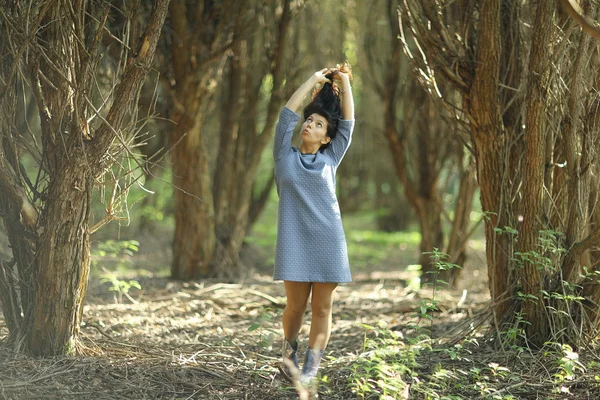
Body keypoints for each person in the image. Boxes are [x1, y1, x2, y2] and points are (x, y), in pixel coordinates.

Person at [272, 63, 354, 386]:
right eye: (309, 120)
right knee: (295, 307)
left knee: (322, 308)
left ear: (326, 137)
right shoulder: (284, 157)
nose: (309, 124)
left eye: (318, 123)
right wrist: (312, 81)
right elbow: (285, 117)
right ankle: (288, 352)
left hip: (328, 240)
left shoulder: (331, 158)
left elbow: (348, 124)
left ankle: (310, 370)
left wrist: (344, 82)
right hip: (293, 240)